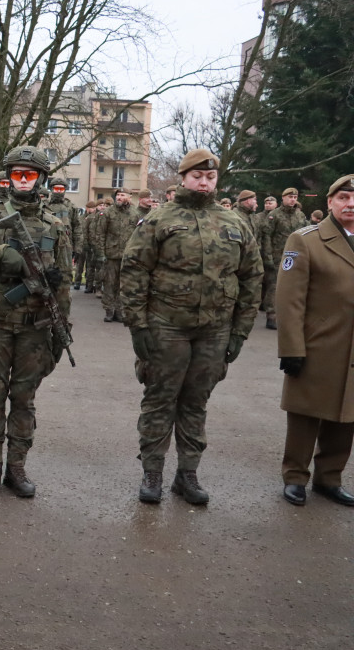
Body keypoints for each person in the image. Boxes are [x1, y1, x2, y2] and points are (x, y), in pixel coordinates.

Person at [120, 149, 263, 504]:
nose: (204, 182)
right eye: (197, 176)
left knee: (196, 402)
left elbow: (252, 277)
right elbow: (134, 270)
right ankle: (152, 472)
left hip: (214, 330)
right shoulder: (159, 219)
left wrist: (240, 332)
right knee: (159, 400)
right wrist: (138, 326)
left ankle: (188, 475)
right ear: (183, 177)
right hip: (166, 327)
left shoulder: (234, 223)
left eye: (211, 177)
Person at [0, 146, 72, 496]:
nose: (22, 181)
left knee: (24, 400)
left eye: (29, 175)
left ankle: (18, 467)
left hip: (35, 327)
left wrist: (61, 329)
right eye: (16, 174)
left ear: (40, 178)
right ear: (8, 177)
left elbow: (66, 281)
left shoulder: (55, 224)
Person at [275, 175, 354, 507]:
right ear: (330, 202)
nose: (351, 204)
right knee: (305, 414)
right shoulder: (305, 239)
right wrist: (292, 349)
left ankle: (329, 479)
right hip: (319, 344)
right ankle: (295, 477)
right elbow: (289, 299)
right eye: (344, 198)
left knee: (347, 416)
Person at [262, 187, 307, 329]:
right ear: (283, 198)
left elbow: (306, 234)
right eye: (290, 197)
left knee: (294, 286)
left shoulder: (300, 215)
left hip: (296, 256)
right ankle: (272, 315)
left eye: (295, 197)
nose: (293, 199)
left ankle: (289, 315)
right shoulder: (274, 215)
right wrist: (267, 255)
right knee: (274, 285)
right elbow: (267, 235)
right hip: (277, 255)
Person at [95, 188, 138, 322]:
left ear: (129, 197)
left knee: (123, 285)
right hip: (111, 255)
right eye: (118, 195)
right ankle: (109, 310)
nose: (119, 197)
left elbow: (139, 236)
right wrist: (101, 253)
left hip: (127, 256)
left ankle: (120, 311)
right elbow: (100, 234)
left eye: (122, 195)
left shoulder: (135, 214)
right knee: (109, 283)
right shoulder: (108, 213)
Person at [79, 201, 99, 292]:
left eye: (95, 208)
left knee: (94, 266)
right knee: (84, 265)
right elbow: (84, 231)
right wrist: (85, 243)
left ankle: (94, 285)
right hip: (87, 244)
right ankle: (87, 284)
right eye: (92, 208)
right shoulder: (85, 218)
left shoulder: (100, 217)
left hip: (97, 245)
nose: (93, 209)